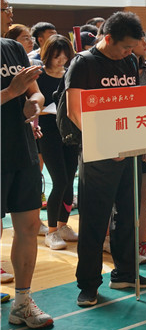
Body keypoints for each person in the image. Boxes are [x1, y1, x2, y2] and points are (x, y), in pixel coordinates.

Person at [65, 11, 146, 307]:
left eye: (133, 48)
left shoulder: (129, 61)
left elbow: (134, 102)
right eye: (126, 47)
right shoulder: (84, 63)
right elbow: (74, 111)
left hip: (127, 150)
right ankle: (89, 284)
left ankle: (126, 273)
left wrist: (142, 140)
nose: (130, 53)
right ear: (108, 38)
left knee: (127, 215)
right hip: (99, 154)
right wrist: (106, 145)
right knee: (94, 220)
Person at [1, 0, 53, 328]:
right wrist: (10, 93)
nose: (10, 14)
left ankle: (22, 302)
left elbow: (35, 90)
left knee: (30, 226)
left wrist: (35, 102)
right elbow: (15, 90)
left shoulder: (13, 48)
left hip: (21, 149)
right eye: (5, 8)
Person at [37, 35, 80, 250]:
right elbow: (31, 105)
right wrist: (47, 110)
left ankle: (63, 225)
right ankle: (51, 231)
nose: (61, 60)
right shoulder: (39, 77)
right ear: (48, 55)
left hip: (69, 132)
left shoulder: (70, 75)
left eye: (65, 55)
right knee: (60, 180)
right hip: (48, 132)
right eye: (56, 56)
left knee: (69, 180)